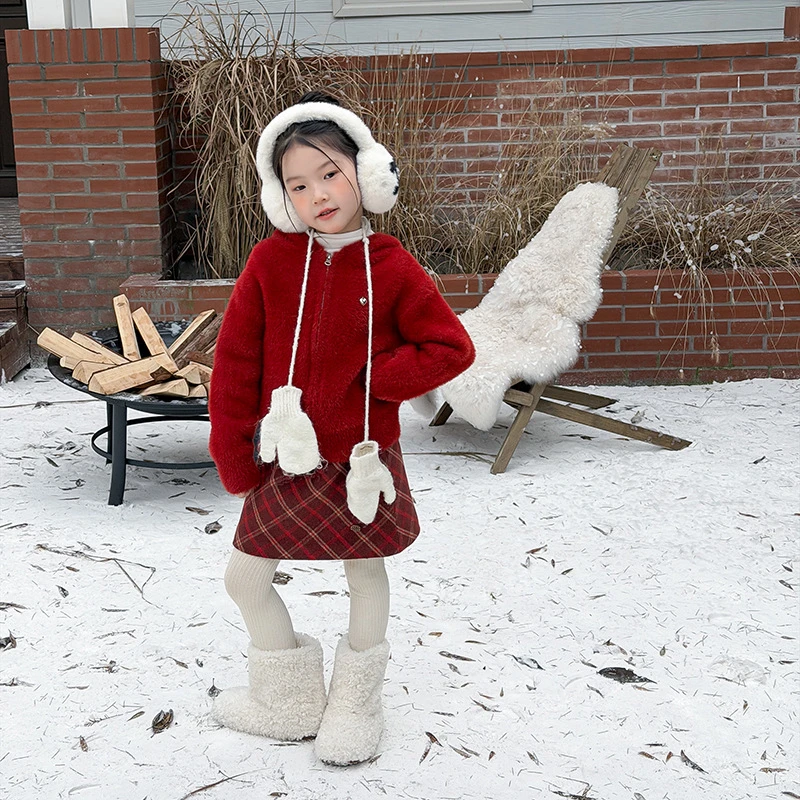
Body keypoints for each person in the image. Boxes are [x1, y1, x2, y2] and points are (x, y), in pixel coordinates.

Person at [208, 91, 475, 765]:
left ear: (368, 171)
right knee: (246, 578)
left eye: (330, 173)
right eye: (299, 184)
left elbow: (450, 348)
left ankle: (356, 704)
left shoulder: (392, 266)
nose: (318, 194)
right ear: (281, 198)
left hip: (359, 462)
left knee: (365, 573)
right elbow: (235, 365)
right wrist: (235, 457)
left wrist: (377, 379)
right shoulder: (269, 265)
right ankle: (289, 702)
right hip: (286, 458)